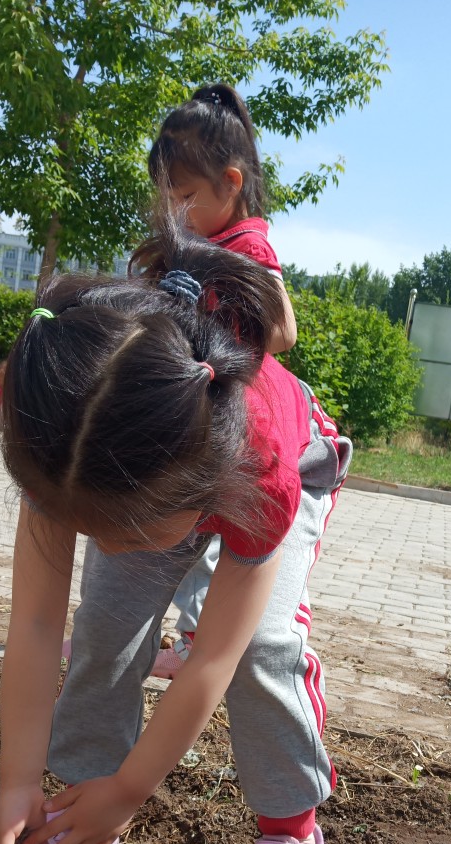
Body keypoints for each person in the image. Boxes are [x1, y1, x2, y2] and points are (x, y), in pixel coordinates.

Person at [0, 213, 351, 844]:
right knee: (105, 624)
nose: (107, 549)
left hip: (280, 462)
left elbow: (213, 657)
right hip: (147, 478)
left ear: (189, 494)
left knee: (263, 648)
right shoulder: (64, 436)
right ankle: (77, 817)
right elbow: (35, 625)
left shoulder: (260, 472)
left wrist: (130, 794)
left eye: (121, 533)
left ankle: (291, 835)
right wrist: (16, 780)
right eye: (90, 529)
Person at [146, 83, 298, 679]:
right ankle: (186, 639)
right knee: (193, 532)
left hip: (234, 424)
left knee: (215, 532)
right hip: (197, 417)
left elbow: (282, 332)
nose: (174, 210)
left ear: (231, 183)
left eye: (185, 196)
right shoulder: (195, 241)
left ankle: (194, 641)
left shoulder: (246, 245)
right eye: (167, 196)